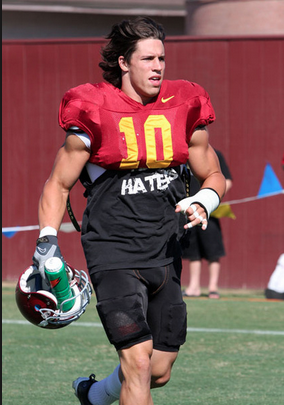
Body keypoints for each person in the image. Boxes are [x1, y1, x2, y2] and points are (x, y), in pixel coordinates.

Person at [32, 17, 226, 405]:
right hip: (113, 250)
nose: (158, 67)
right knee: (137, 362)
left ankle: (95, 395)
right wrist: (47, 242)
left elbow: (213, 174)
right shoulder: (94, 108)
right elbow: (58, 183)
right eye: (148, 59)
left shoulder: (183, 103)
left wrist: (204, 201)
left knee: (158, 370)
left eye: (162, 59)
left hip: (166, 248)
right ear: (124, 62)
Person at [182, 149, 233, 299]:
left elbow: (226, 181)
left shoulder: (214, 154)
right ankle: (193, 287)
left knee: (213, 250)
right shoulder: (183, 156)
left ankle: (213, 287)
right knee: (193, 251)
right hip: (190, 211)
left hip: (209, 210)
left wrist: (210, 199)